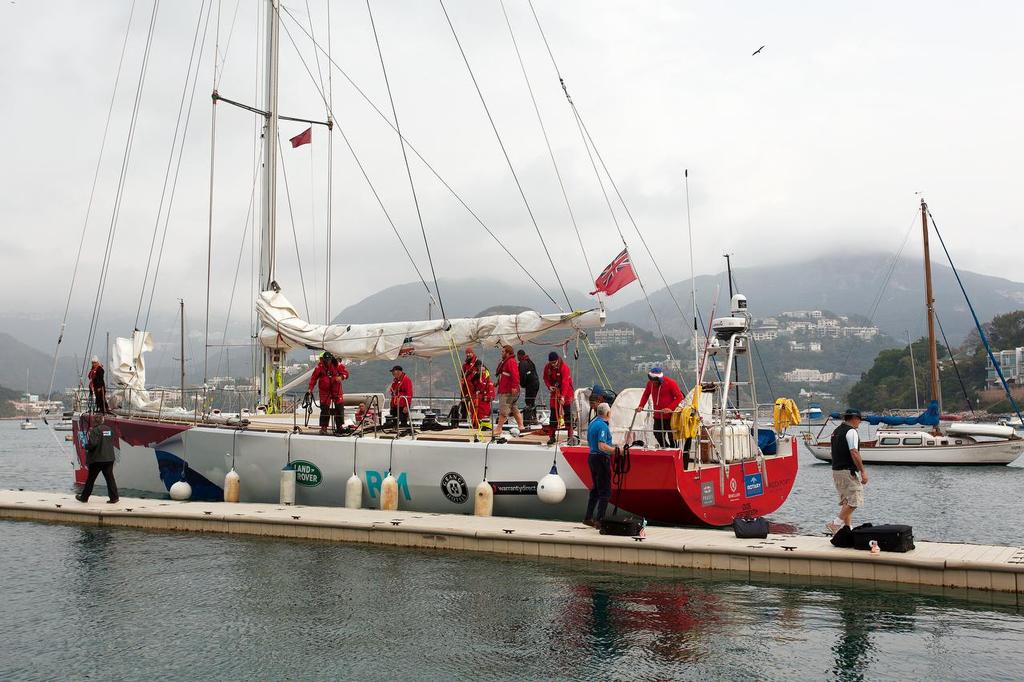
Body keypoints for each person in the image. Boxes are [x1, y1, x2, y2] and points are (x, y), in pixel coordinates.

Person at [826, 409, 868, 535]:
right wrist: (863, 471)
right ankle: (836, 523)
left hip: (836, 470)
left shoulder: (836, 431)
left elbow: (832, 452)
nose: (860, 422)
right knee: (855, 500)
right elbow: (854, 451)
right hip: (846, 470)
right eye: (859, 419)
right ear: (854, 418)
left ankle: (847, 529)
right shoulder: (851, 432)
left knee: (846, 501)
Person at [584, 402, 617, 528]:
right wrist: (615, 451)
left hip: (592, 457)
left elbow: (590, 443)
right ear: (608, 413)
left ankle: (588, 517)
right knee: (605, 491)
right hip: (601, 458)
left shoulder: (592, 423)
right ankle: (600, 520)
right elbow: (602, 446)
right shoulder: (603, 426)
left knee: (596, 489)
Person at [635, 367, 684, 448]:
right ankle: (666, 448)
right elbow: (646, 394)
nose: (654, 383)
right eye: (653, 381)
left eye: (656, 381)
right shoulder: (650, 383)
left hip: (670, 416)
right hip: (658, 415)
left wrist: (670, 408)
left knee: (672, 437)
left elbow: (679, 397)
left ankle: (674, 451)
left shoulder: (671, 383)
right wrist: (641, 406)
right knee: (657, 434)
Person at [76, 414, 119, 504]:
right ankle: (114, 497)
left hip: (97, 459)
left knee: (91, 479)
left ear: (95, 421)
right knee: (110, 478)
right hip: (109, 458)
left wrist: (85, 446)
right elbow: (110, 440)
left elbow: (93, 444)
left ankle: (84, 497)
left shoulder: (95, 431)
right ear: (102, 420)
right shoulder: (109, 430)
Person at [308, 352, 349, 434]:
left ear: (331, 359)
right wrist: (310, 389)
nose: (327, 362)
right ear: (323, 359)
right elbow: (313, 379)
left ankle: (339, 426)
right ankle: (324, 427)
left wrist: (341, 377)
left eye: (329, 360)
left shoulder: (337, 365)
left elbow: (346, 373)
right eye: (326, 360)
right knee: (325, 409)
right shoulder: (319, 367)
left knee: (339, 408)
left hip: (336, 389)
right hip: (324, 391)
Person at [543, 351, 575, 445]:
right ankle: (552, 436)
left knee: (567, 414)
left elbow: (565, 382)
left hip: (566, 392)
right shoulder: (547, 367)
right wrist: (549, 386)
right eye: (551, 363)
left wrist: (563, 397)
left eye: (554, 363)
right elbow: (545, 378)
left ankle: (570, 436)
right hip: (555, 393)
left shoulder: (564, 368)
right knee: (553, 415)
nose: (553, 365)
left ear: (557, 360)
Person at [493, 345, 524, 438]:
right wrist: (498, 382)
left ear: (508, 353)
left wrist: (514, 386)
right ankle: (521, 426)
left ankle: (498, 428)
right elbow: (504, 375)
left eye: (503, 352)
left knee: (504, 409)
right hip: (507, 389)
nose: (501, 353)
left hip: (508, 391)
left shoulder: (510, 362)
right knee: (514, 408)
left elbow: (515, 375)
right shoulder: (506, 362)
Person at [517, 349, 540, 425]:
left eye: (518, 356)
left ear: (519, 355)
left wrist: (522, 384)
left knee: (528, 402)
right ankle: (534, 418)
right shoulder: (529, 361)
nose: (517, 358)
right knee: (531, 401)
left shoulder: (522, 363)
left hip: (531, 384)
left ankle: (529, 419)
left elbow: (522, 375)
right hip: (536, 383)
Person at [471, 360, 495, 429]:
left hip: (482, 402)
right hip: (477, 401)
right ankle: (477, 425)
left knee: (482, 415)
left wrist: (484, 397)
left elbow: (490, 395)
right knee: (476, 416)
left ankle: (482, 426)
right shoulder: (476, 377)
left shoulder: (487, 381)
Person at [459, 347, 479, 422]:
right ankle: (464, 417)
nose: (468, 354)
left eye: (469, 353)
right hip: (465, 387)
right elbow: (462, 375)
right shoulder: (465, 365)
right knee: (464, 401)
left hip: (473, 387)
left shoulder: (478, 362)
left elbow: (481, 374)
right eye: (467, 353)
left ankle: (475, 419)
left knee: (474, 403)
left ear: (473, 353)